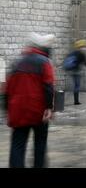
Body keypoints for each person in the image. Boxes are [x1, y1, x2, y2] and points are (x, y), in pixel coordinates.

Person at [4, 32, 55, 168]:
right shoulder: (45, 62)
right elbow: (48, 86)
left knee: (17, 145)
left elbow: (7, 88)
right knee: (40, 145)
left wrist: (6, 109)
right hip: (38, 111)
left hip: (18, 111)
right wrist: (49, 107)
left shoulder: (17, 62)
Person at [66, 39, 86, 105]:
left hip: (72, 71)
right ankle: (76, 101)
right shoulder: (81, 54)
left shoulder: (73, 52)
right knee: (77, 86)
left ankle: (72, 96)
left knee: (75, 85)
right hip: (77, 71)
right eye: (83, 46)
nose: (85, 48)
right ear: (81, 46)